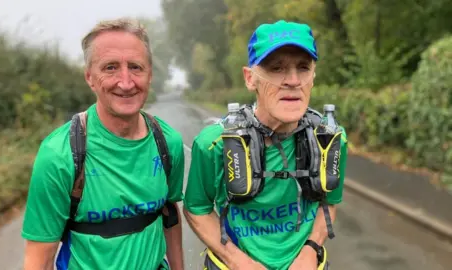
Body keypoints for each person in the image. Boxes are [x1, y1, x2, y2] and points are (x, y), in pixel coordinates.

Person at [21, 17, 185, 270]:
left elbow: (169, 216)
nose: (126, 82)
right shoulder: (59, 154)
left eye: (136, 67)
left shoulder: (168, 142)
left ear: (150, 75)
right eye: (110, 68)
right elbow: (38, 258)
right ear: (90, 77)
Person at [183, 20, 348, 270]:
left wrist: (311, 249)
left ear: (312, 77)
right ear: (251, 78)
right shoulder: (214, 144)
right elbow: (196, 209)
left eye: (303, 67)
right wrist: (239, 262)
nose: (293, 80)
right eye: (276, 68)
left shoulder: (331, 138)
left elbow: (330, 202)